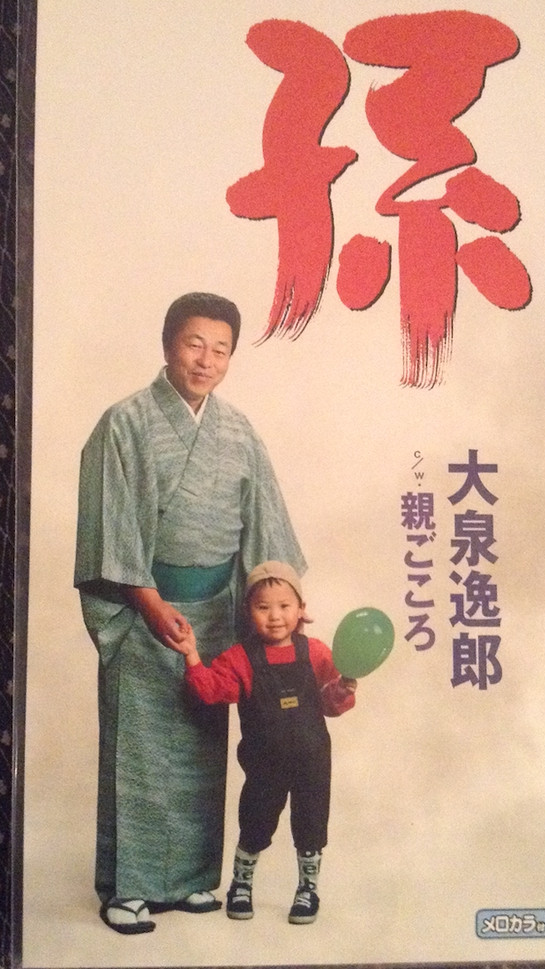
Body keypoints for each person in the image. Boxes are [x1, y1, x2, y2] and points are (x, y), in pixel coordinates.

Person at [74, 292, 306, 935]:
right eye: (194, 344)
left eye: (221, 349)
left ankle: (192, 880)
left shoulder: (238, 432)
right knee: (141, 751)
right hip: (143, 606)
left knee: (203, 749)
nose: (207, 360)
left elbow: (265, 528)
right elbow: (110, 526)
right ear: (168, 344)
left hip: (217, 615)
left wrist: (277, 603)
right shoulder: (124, 423)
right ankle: (129, 887)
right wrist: (149, 604)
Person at [173, 560, 356, 925]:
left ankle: (308, 889)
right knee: (255, 824)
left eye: (284, 606)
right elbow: (211, 691)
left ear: (301, 609)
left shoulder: (317, 653)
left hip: (313, 763)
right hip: (264, 766)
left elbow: (331, 703)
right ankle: (241, 885)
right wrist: (191, 654)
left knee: (311, 827)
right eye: (263, 607)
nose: (275, 616)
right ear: (248, 611)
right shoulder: (240, 658)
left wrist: (344, 687)